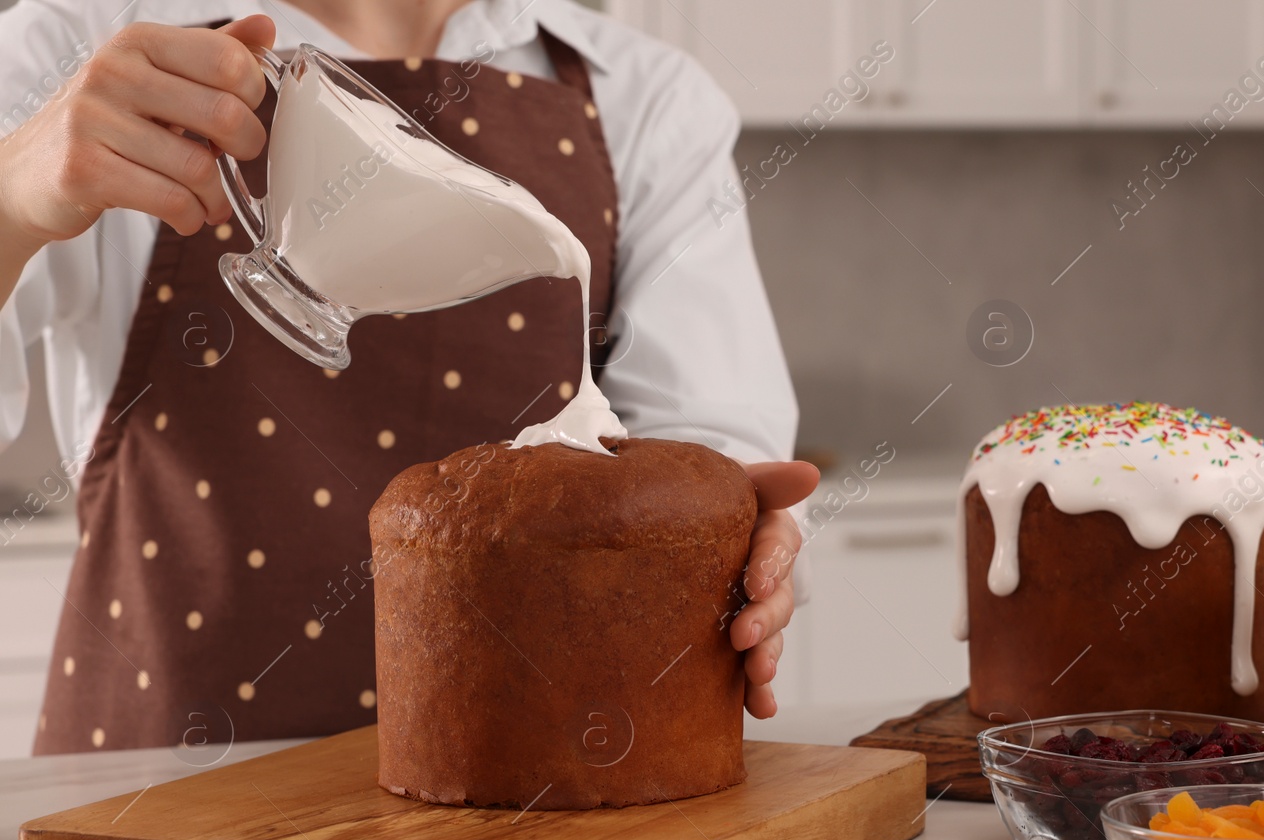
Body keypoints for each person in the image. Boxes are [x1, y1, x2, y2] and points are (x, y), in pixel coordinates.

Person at [0, 0, 817, 754]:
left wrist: (739, 546)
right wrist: (8, 202)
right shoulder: (84, 37)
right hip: (153, 801)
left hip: (520, 802)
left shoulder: (647, 97)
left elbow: (704, 446)